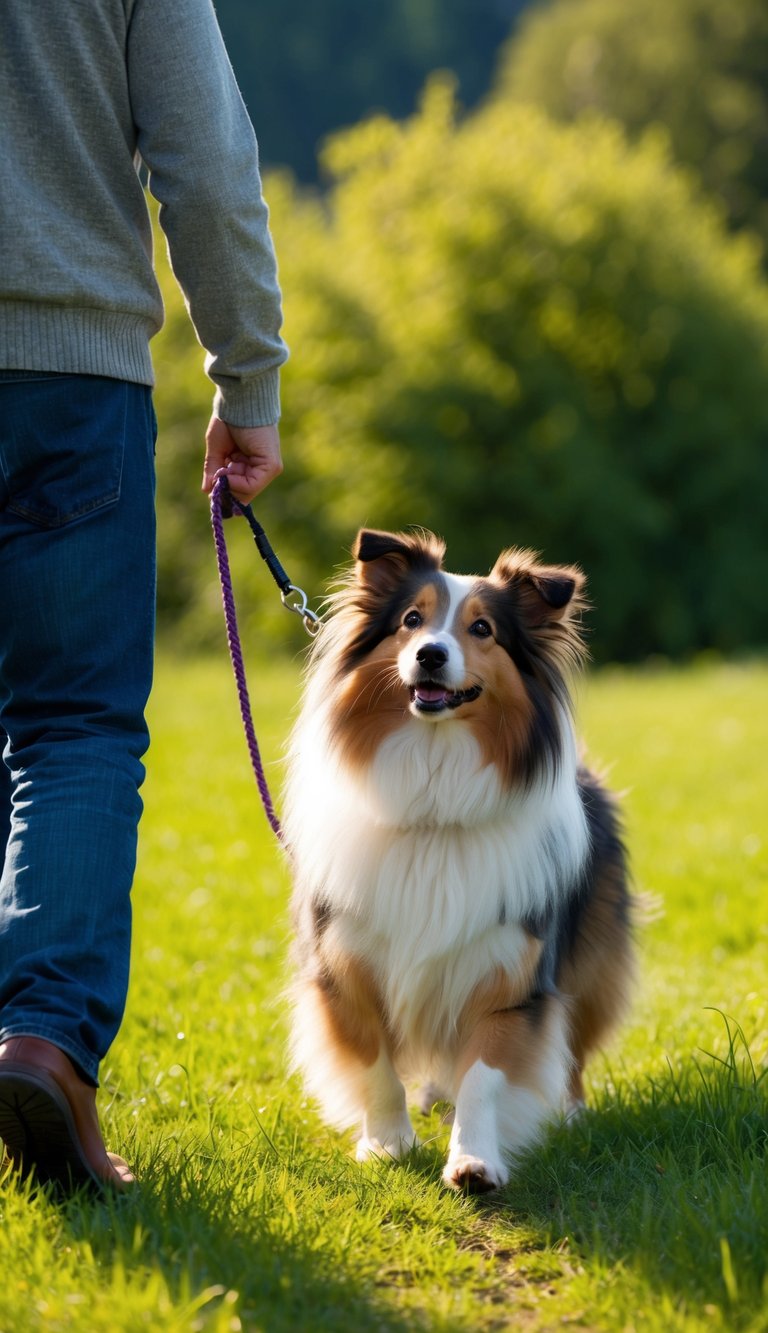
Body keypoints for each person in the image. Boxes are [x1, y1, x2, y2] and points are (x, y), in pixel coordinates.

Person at [0, 0, 287, 1191]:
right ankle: (44, 1043)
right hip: (70, 378)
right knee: (72, 728)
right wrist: (250, 379)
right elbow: (205, 163)